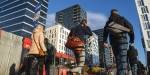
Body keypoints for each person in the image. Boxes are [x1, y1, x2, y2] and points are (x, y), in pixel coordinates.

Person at [103, 9, 134, 75]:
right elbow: (131, 27)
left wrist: (105, 41)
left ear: (111, 13)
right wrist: (132, 39)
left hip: (113, 41)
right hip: (122, 39)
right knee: (123, 60)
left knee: (118, 60)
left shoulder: (109, 21)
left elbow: (105, 31)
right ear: (117, 13)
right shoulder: (122, 18)